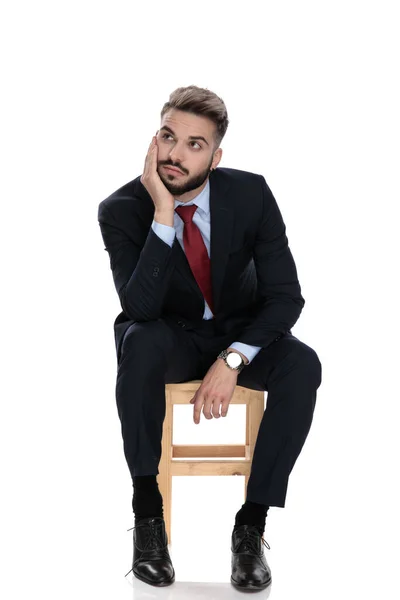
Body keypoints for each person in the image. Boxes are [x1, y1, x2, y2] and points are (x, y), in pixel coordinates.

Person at [97, 85, 322, 591]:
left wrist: (234, 359)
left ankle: (251, 525)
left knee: (303, 364)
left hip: (236, 335)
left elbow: (286, 297)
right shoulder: (120, 210)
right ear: (154, 139)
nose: (175, 154)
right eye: (168, 136)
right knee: (140, 340)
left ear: (216, 157)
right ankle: (148, 516)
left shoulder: (250, 194)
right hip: (167, 337)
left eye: (194, 144)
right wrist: (161, 213)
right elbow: (139, 309)